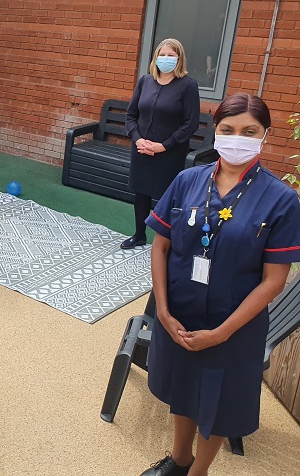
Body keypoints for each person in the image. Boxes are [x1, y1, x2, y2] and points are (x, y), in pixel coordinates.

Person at [139, 93, 300, 476]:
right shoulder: (187, 181)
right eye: (228, 130)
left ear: (265, 135)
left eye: (249, 131)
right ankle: (179, 461)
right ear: (215, 132)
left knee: (217, 400)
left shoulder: (282, 200)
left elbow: (274, 280)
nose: (237, 138)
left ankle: (198, 473)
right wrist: (162, 309)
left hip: (234, 324)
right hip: (180, 310)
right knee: (183, 387)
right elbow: (160, 247)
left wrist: (222, 332)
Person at [123, 38, 200, 249]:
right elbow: (131, 116)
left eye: (171, 55)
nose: (165, 59)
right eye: (162, 55)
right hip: (141, 149)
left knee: (169, 198)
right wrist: (138, 140)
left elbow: (190, 123)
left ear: (179, 59)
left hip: (170, 152)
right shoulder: (145, 81)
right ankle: (139, 234)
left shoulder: (188, 86)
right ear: (156, 57)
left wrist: (163, 146)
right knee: (141, 193)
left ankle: (168, 242)